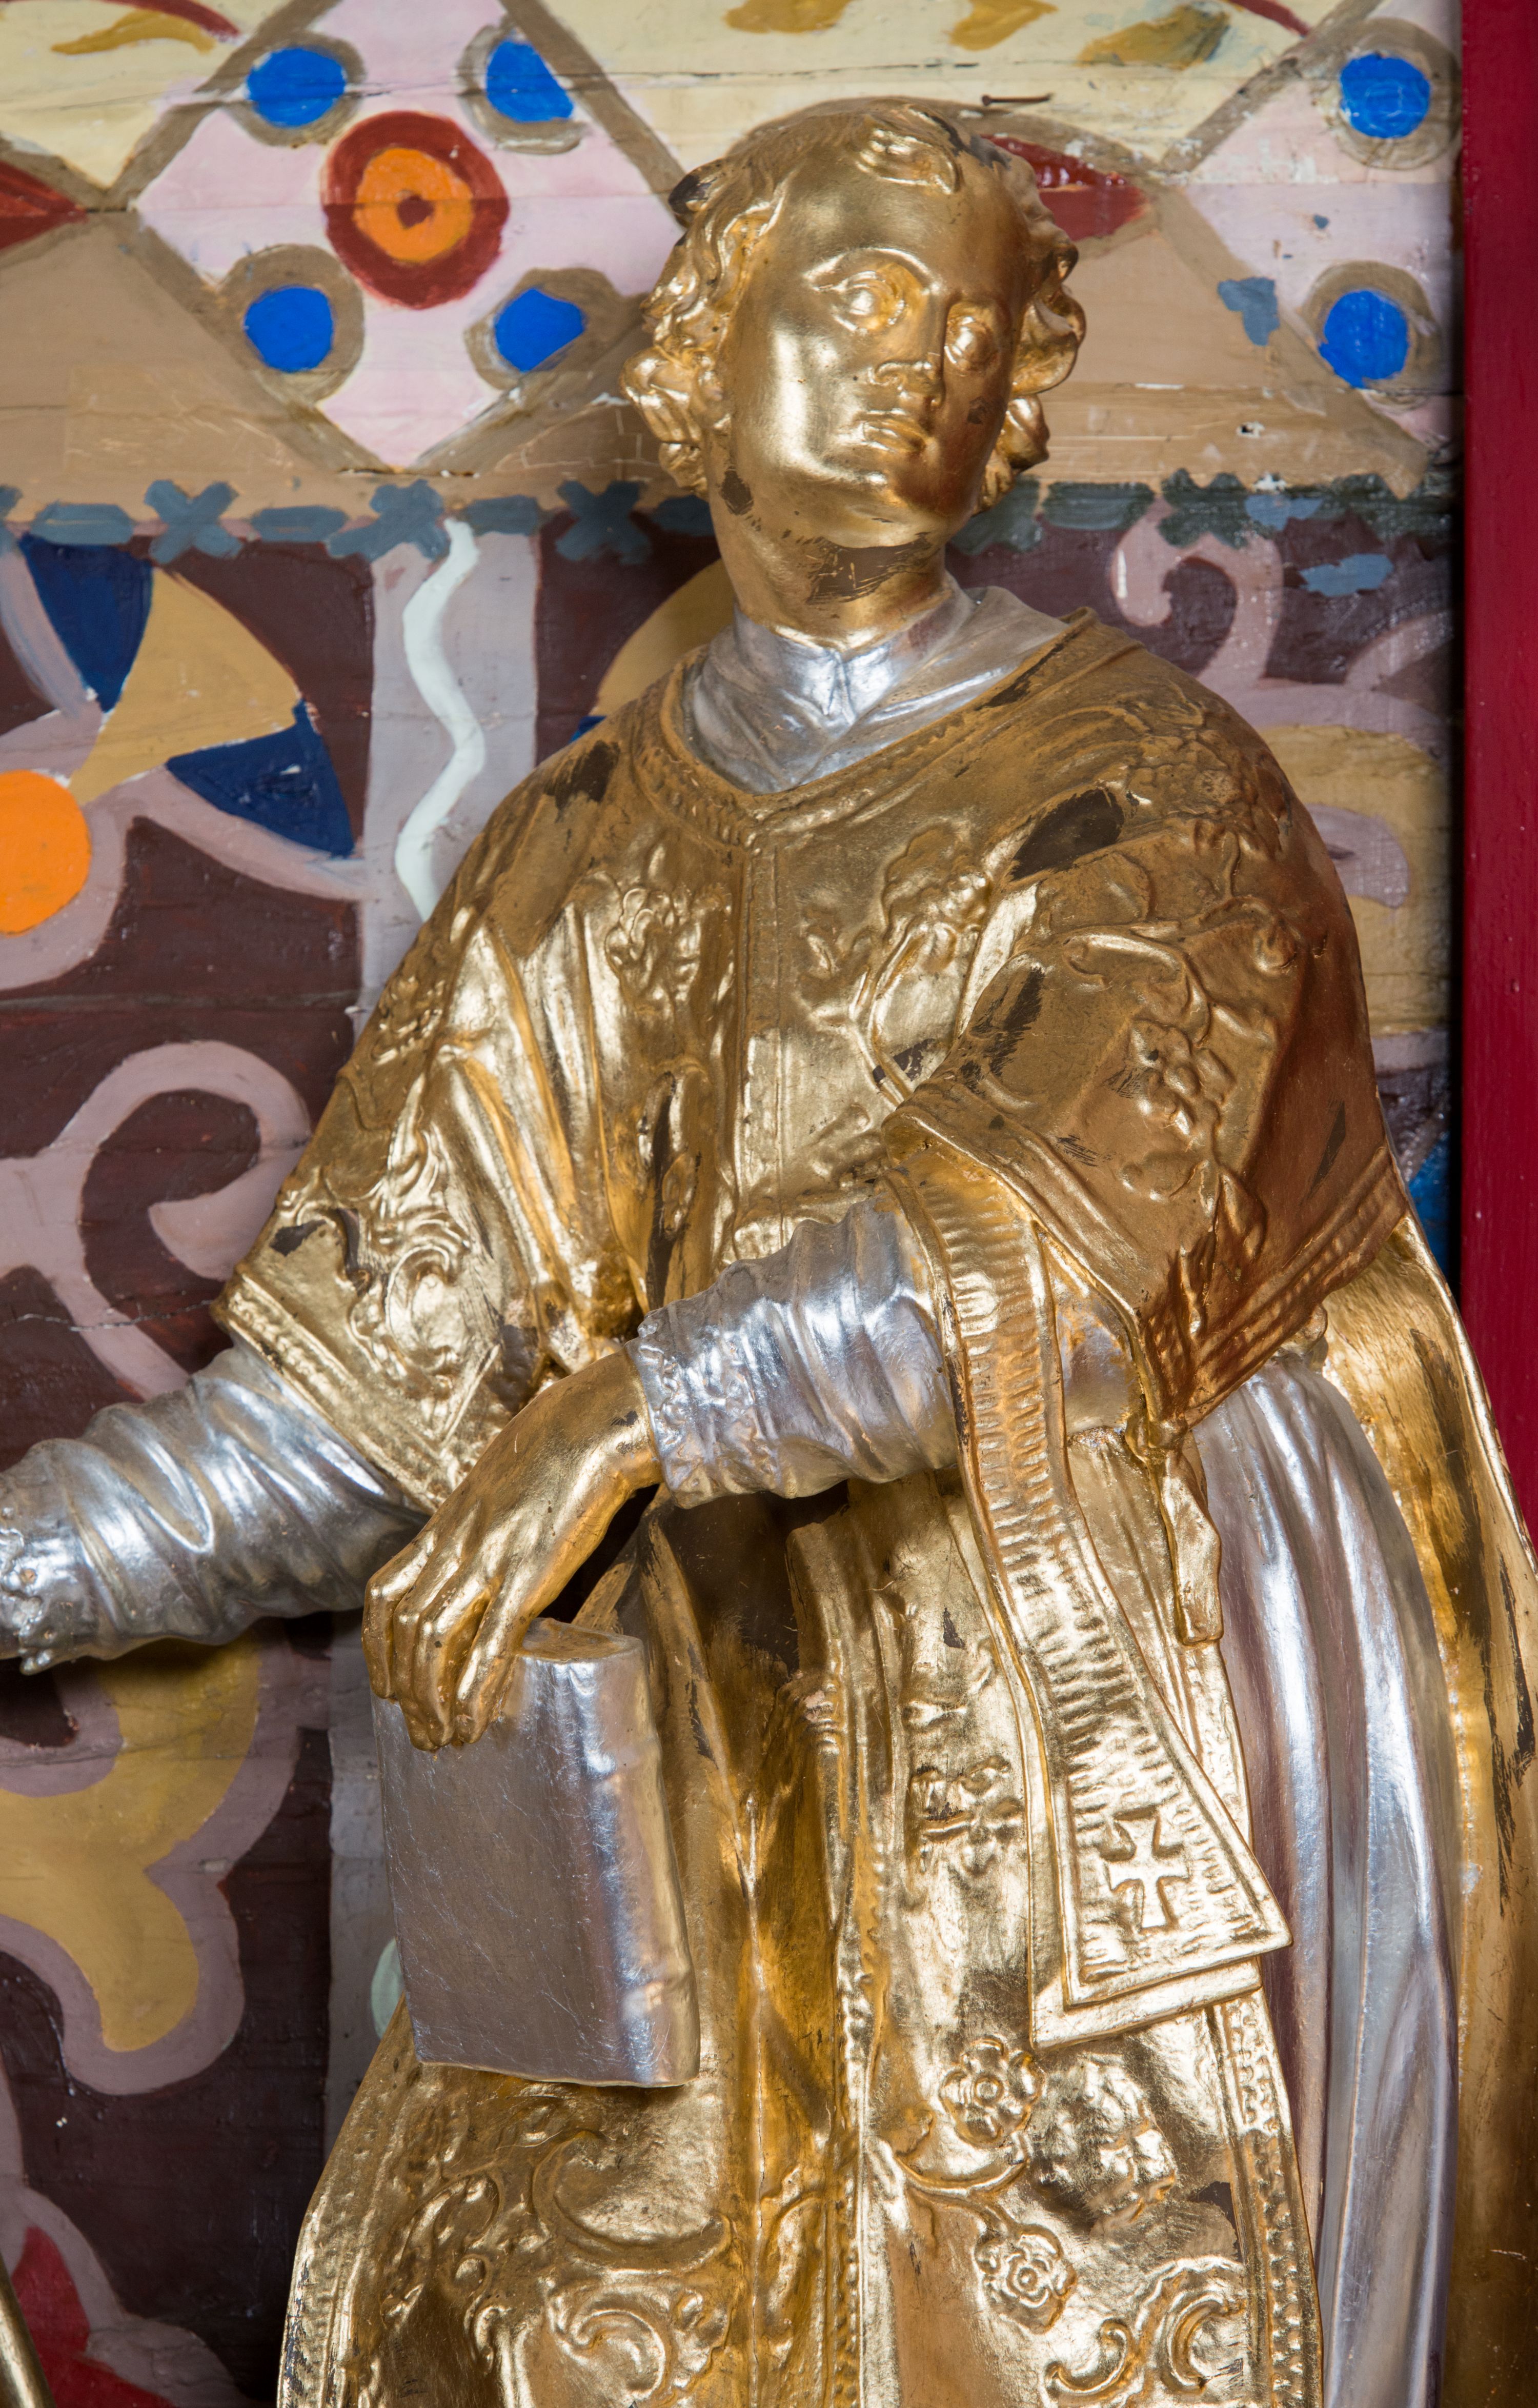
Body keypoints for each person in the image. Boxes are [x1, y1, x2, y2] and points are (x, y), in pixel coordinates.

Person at [2, 101, 1533, 2408]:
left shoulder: (1151, 788)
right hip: (684, 1820)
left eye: (971, 331)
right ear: (701, 363)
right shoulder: (576, 849)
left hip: (1074, 1770)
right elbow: (357, 1419)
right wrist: (22, 1572)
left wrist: (623, 1415)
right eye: (859, 299)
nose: (921, 363)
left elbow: (1040, 1244)